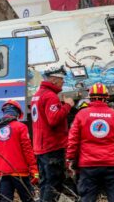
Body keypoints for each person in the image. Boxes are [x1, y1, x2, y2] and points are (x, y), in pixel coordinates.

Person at [66, 82, 114, 202]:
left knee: (87, 197)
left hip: (88, 165)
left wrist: (70, 158)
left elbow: (73, 140)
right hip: (112, 164)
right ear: (106, 98)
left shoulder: (81, 115)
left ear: (90, 97)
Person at [30, 65, 75, 202]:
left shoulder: (37, 96)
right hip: (52, 148)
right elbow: (54, 119)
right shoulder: (50, 96)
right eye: (62, 79)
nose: (63, 82)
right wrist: (67, 106)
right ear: (54, 79)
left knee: (45, 182)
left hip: (40, 148)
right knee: (54, 184)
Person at [0, 99, 38, 202]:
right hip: (20, 173)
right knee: (28, 199)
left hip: (2, 174)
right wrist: (34, 170)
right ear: (17, 113)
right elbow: (27, 150)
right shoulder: (21, 127)